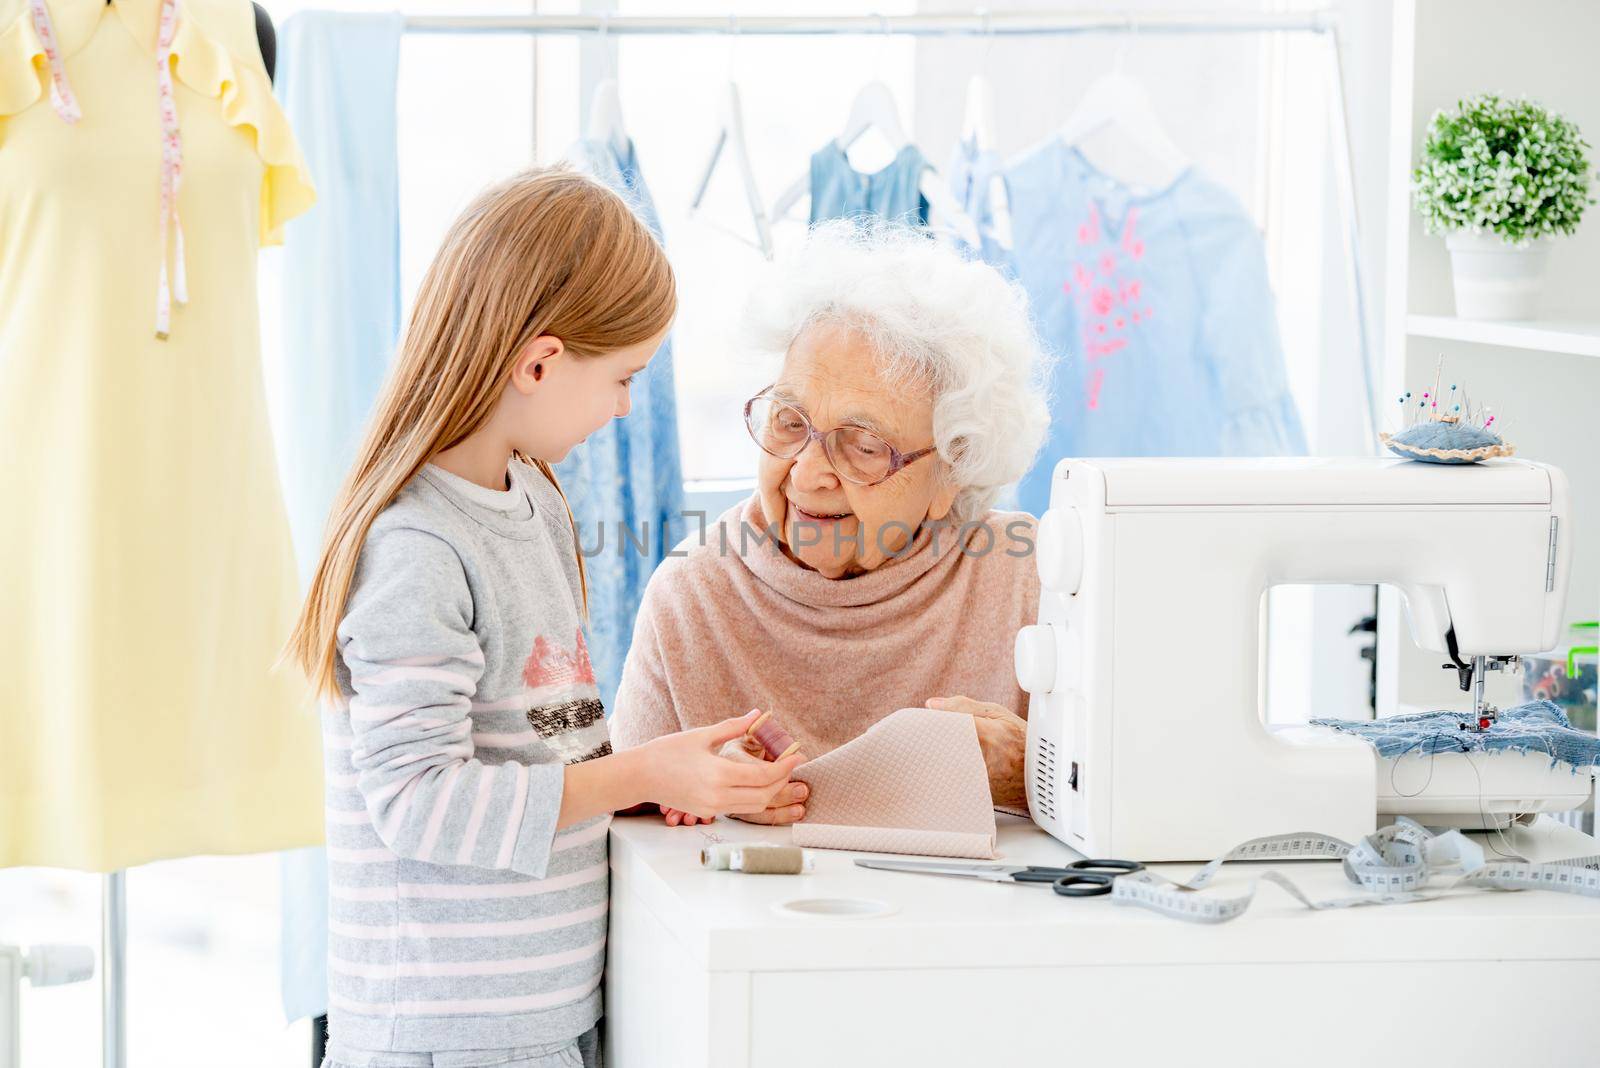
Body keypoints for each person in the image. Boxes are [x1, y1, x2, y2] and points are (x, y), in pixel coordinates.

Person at [286, 168, 802, 1068]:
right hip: (448, 1038)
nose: (625, 408)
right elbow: (419, 805)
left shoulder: (536, 498)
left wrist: (650, 781)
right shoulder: (416, 547)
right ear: (539, 362)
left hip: (543, 1017)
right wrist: (636, 768)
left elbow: (535, 746)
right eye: (622, 378)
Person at [612, 220, 1051, 826]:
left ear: (950, 471)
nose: (807, 474)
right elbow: (618, 836)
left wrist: (1034, 773)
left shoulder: (1024, 578)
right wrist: (685, 790)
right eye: (789, 423)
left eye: (863, 446)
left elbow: (1151, 798)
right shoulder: (693, 594)